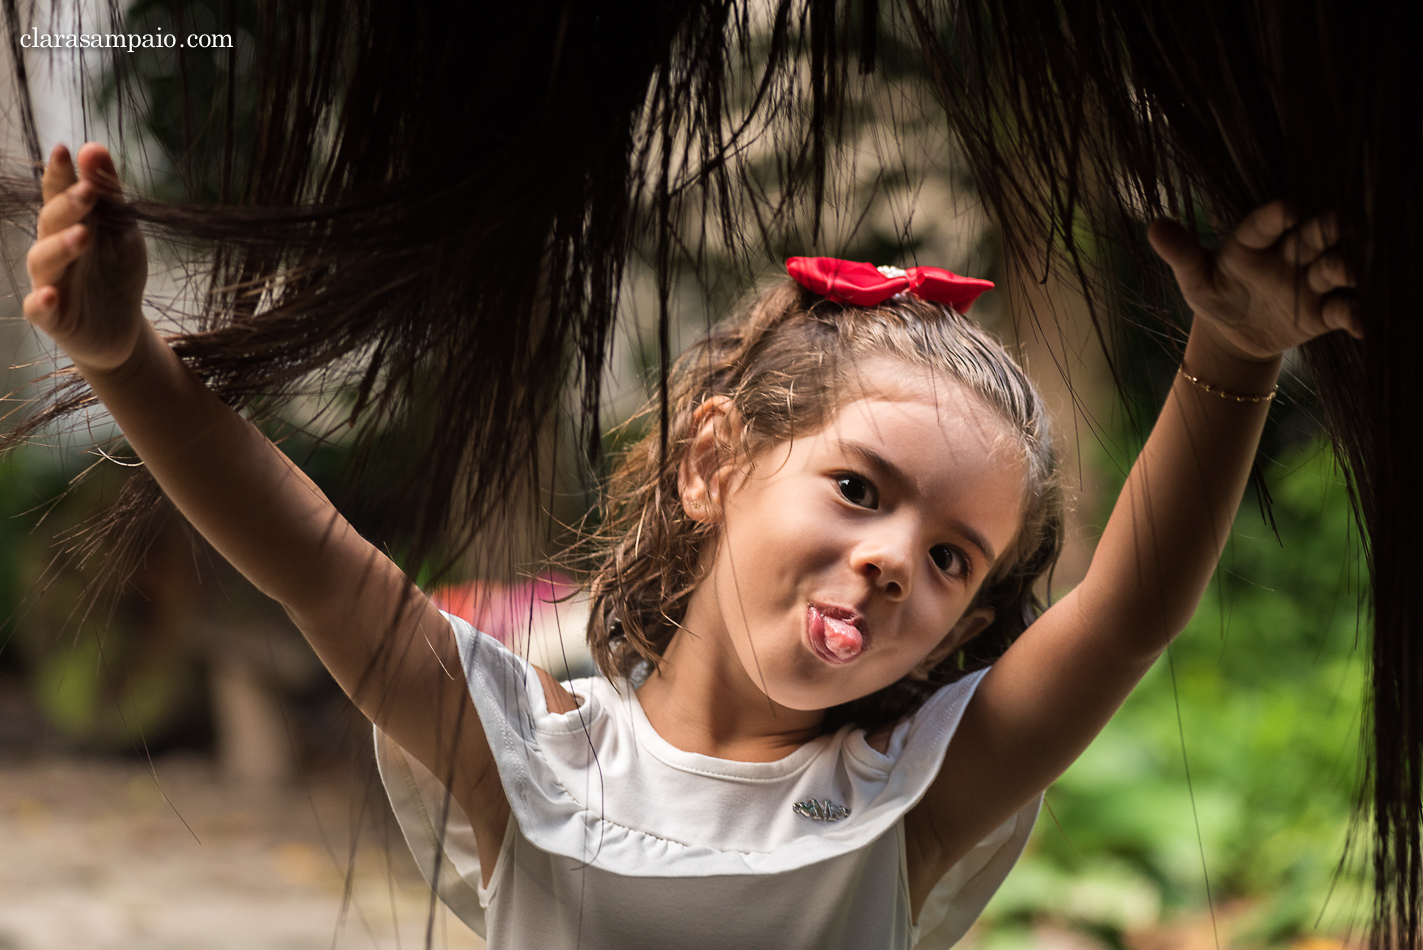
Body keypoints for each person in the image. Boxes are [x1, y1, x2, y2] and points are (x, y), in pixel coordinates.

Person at [22, 141, 1362, 949]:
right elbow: (310, 556)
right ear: (714, 460)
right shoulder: (534, 757)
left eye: (956, 558)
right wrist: (125, 358)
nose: (900, 555)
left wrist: (1232, 346)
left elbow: (1125, 614)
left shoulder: (912, 793)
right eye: (859, 485)